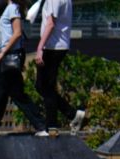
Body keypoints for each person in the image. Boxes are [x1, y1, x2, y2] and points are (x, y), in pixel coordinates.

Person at [0, 0, 45, 137]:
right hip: (11, 55)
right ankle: (40, 125)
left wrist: (2, 52)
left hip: (8, 56)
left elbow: (17, 32)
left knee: (0, 92)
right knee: (6, 93)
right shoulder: (13, 8)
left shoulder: (12, 8)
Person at [34, 0, 85, 131]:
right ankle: (72, 114)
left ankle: (51, 126)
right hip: (59, 45)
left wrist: (40, 47)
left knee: (45, 87)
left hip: (52, 46)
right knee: (43, 86)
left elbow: (51, 24)